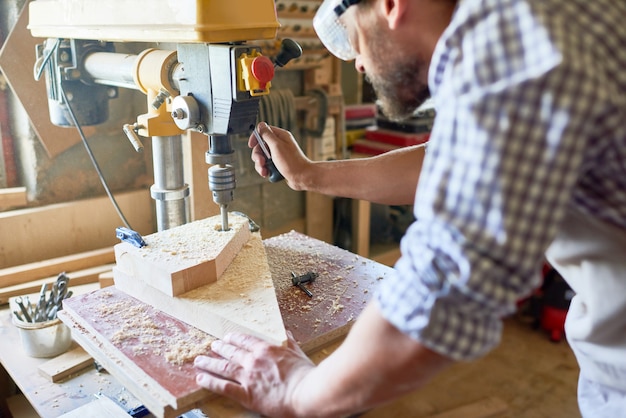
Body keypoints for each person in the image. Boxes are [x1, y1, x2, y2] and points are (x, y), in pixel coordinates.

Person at [193, 0, 626, 416]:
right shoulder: (532, 21)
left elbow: (444, 290)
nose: (358, 64)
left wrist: (299, 392)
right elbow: (461, 162)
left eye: (353, 36)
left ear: (391, 4)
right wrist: (309, 175)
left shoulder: (511, 40)